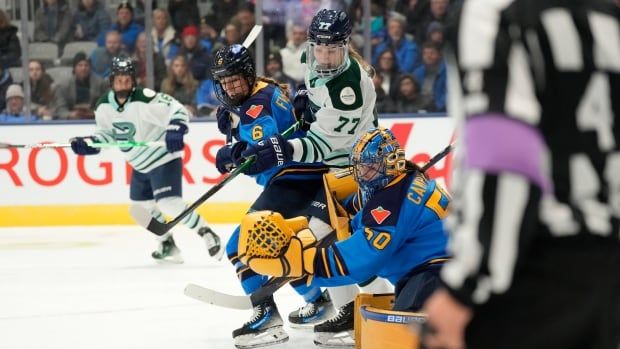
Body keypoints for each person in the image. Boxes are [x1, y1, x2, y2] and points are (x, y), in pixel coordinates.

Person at [422, 1, 620, 349]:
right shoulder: (604, 13)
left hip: (531, 277)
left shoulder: (493, 11)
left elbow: (507, 159)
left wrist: (464, 289)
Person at [238, 9, 385, 347]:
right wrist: (307, 101)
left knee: (329, 240)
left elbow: (322, 145)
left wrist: (281, 149)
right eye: (320, 47)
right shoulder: (309, 55)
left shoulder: (349, 87)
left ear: (346, 46)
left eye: (332, 49)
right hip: (333, 170)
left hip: (355, 170)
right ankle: (349, 310)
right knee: (327, 241)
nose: (324, 56)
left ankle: (372, 307)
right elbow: (314, 93)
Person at [236, 126, 450, 314]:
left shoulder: (391, 201)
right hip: (438, 271)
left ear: (390, 163)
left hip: (438, 277)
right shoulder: (400, 181)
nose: (361, 173)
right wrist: (302, 232)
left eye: (369, 166)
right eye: (359, 166)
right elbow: (353, 218)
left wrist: (307, 263)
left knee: (408, 331)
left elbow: (364, 258)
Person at [211, 43, 333, 349]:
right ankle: (318, 301)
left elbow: (262, 156)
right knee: (282, 247)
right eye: (225, 82)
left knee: (239, 245)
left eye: (235, 80)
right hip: (302, 178)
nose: (230, 86)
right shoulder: (261, 91)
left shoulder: (258, 104)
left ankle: (267, 317)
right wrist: (234, 129)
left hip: (292, 179)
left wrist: (232, 150)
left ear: (248, 75)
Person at [68, 56, 223, 264]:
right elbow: (107, 136)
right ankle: (167, 244)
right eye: (119, 79)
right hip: (139, 165)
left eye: (127, 78)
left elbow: (177, 109)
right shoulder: (103, 106)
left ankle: (207, 233)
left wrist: (176, 128)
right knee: (141, 207)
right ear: (112, 81)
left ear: (133, 80)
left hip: (163, 158)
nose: (123, 82)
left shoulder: (145, 98)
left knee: (168, 203)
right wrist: (90, 144)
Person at [52, 52, 107, 120]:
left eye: (86, 65)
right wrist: (69, 115)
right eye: (80, 65)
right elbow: (60, 107)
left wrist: (95, 113)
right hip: (70, 121)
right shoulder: (63, 84)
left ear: (90, 67)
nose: (83, 68)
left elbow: (106, 104)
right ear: (74, 67)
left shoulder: (100, 83)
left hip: (94, 119)